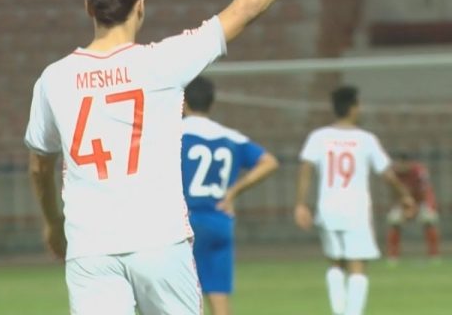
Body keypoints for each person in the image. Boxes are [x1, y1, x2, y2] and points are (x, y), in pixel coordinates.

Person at [24, 0, 333, 314]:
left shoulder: (54, 79)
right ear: (141, 7)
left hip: (90, 248)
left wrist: (52, 225)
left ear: (88, 8)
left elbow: (39, 166)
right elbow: (246, 9)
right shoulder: (162, 62)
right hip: (159, 241)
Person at [295, 86, 415, 315]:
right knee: (357, 265)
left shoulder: (319, 137)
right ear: (353, 108)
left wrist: (301, 204)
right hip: (355, 210)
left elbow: (306, 168)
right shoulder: (365, 139)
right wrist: (404, 196)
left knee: (335, 262)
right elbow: (387, 174)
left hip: (328, 209)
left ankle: (339, 312)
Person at [181, 76, 279, 315]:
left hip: (184, 223)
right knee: (219, 296)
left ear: (183, 102)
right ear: (211, 103)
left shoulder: (174, 134)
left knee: (182, 297)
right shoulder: (231, 137)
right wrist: (234, 191)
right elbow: (269, 162)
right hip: (219, 220)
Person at [386, 153, 440, 262]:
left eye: (403, 164)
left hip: (422, 201)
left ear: (409, 163)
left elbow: (425, 191)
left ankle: (434, 255)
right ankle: (393, 257)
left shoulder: (419, 171)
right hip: (403, 202)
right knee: (394, 220)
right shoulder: (393, 173)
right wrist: (405, 207)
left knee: (429, 219)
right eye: (399, 163)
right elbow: (393, 193)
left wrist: (415, 208)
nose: (400, 167)